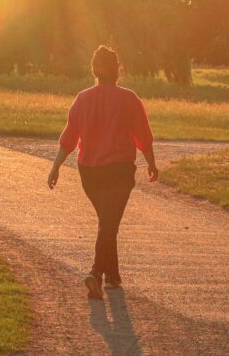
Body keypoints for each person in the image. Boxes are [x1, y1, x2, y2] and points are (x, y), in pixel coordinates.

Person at [46, 46, 157, 299]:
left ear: (93, 69)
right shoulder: (129, 98)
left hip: (90, 172)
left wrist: (55, 167)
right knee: (109, 222)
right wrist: (151, 162)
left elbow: (69, 138)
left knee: (108, 222)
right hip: (118, 170)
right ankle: (96, 273)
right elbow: (143, 136)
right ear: (117, 69)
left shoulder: (82, 99)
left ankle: (112, 276)